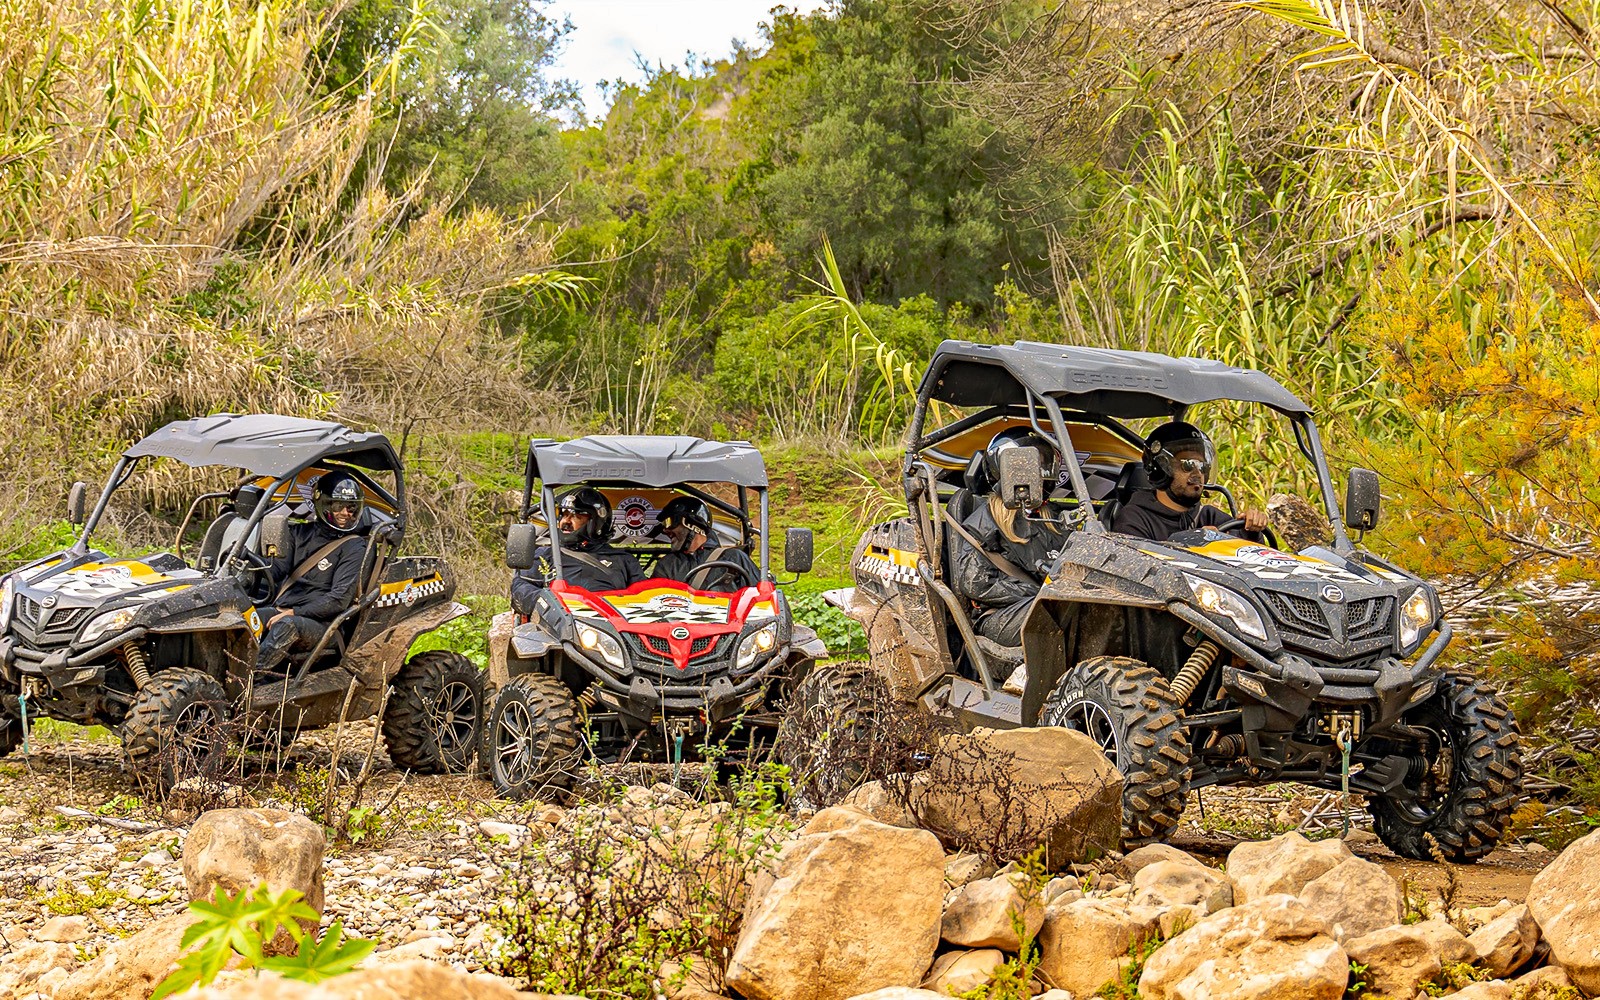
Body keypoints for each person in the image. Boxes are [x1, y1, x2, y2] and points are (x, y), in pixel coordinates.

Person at [949, 429, 1066, 647]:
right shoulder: (984, 522)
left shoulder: (1055, 518)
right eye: (1027, 466)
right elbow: (976, 584)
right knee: (1060, 610)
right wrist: (1040, 591)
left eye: (1041, 464)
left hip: (1048, 604)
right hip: (1001, 616)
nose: (1038, 472)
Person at [255, 471, 368, 676]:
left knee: (287, 625)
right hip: (285, 610)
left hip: (324, 625)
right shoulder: (299, 533)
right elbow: (277, 570)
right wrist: (250, 563)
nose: (345, 513)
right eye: (338, 506)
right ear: (323, 504)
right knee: (246, 618)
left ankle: (248, 681)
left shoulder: (354, 546)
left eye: (351, 508)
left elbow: (338, 600)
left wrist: (295, 612)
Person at [1111, 421, 1268, 543]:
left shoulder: (1209, 516)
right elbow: (1137, 568)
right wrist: (1189, 545)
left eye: (1202, 466)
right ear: (1160, 469)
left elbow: (1248, 560)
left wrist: (1252, 531)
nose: (1198, 474)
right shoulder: (1133, 520)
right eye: (1188, 465)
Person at [511, 487, 645, 615]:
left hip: (612, 625)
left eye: (576, 516)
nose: (566, 521)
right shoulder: (545, 555)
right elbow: (520, 586)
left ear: (596, 523)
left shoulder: (624, 560)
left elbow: (644, 598)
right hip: (560, 624)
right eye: (564, 515)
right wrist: (549, 604)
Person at [650, 497, 760, 592]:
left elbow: (760, 597)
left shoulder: (734, 558)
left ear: (691, 523)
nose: (665, 530)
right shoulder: (666, 565)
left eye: (670, 522)